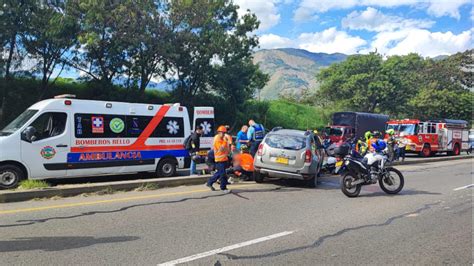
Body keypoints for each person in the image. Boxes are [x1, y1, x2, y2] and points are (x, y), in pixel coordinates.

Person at [207, 125, 231, 192]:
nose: (224, 134)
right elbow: (221, 149)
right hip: (219, 160)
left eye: (224, 133)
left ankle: (209, 183)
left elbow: (226, 149)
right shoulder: (217, 140)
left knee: (220, 173)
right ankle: (223, 188)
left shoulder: (221, 139)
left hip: (223, 159)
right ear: (219, 132)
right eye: (223, 133)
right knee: (223, 174)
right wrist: (225, 142)